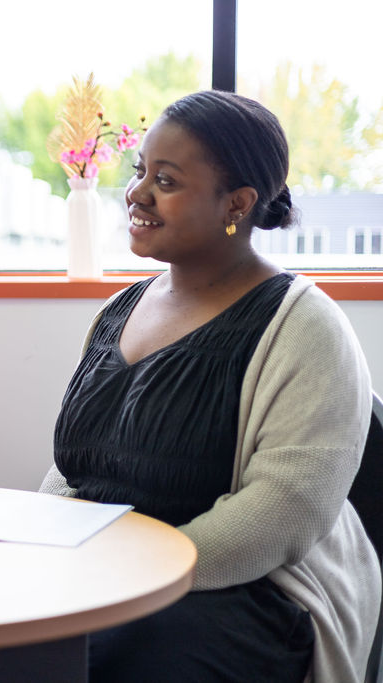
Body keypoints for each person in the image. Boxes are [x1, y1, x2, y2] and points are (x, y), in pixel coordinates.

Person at [40, 90, 379, 682]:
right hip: (110, 577)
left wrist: (135, 572)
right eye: (140, 170)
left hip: (245, 593)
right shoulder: (119, 311)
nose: (136, 193)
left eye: (166, 181)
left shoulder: (305, 327)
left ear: (238, 203)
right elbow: (73, 467)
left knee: (102, 659)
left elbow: (285, 512)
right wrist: (37, 547)